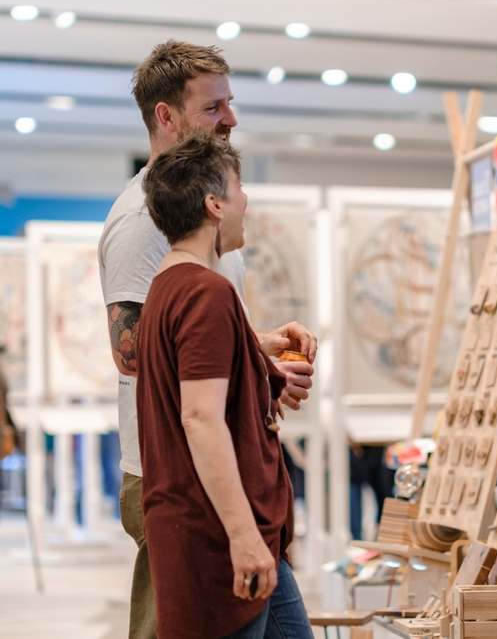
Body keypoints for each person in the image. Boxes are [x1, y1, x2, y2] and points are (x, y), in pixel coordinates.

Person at [98, 40, 315, 639]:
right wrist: (242, 365)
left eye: (231, 103)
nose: (231, 119)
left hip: (215, 462)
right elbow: (137, 351)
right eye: (214, 106)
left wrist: (259, 350)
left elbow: (190, 338)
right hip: (177, 471)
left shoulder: (191, 243)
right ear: (165, 115)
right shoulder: (141, 222)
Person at [137, 131, 304, 638]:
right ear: (214, 204)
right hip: (216, 539)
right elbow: (201, 417)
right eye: (238, 188)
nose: (246, 201)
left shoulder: (167, 287)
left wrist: (261, 355)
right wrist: (243, 537)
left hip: (216, 531)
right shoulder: (206, 293)